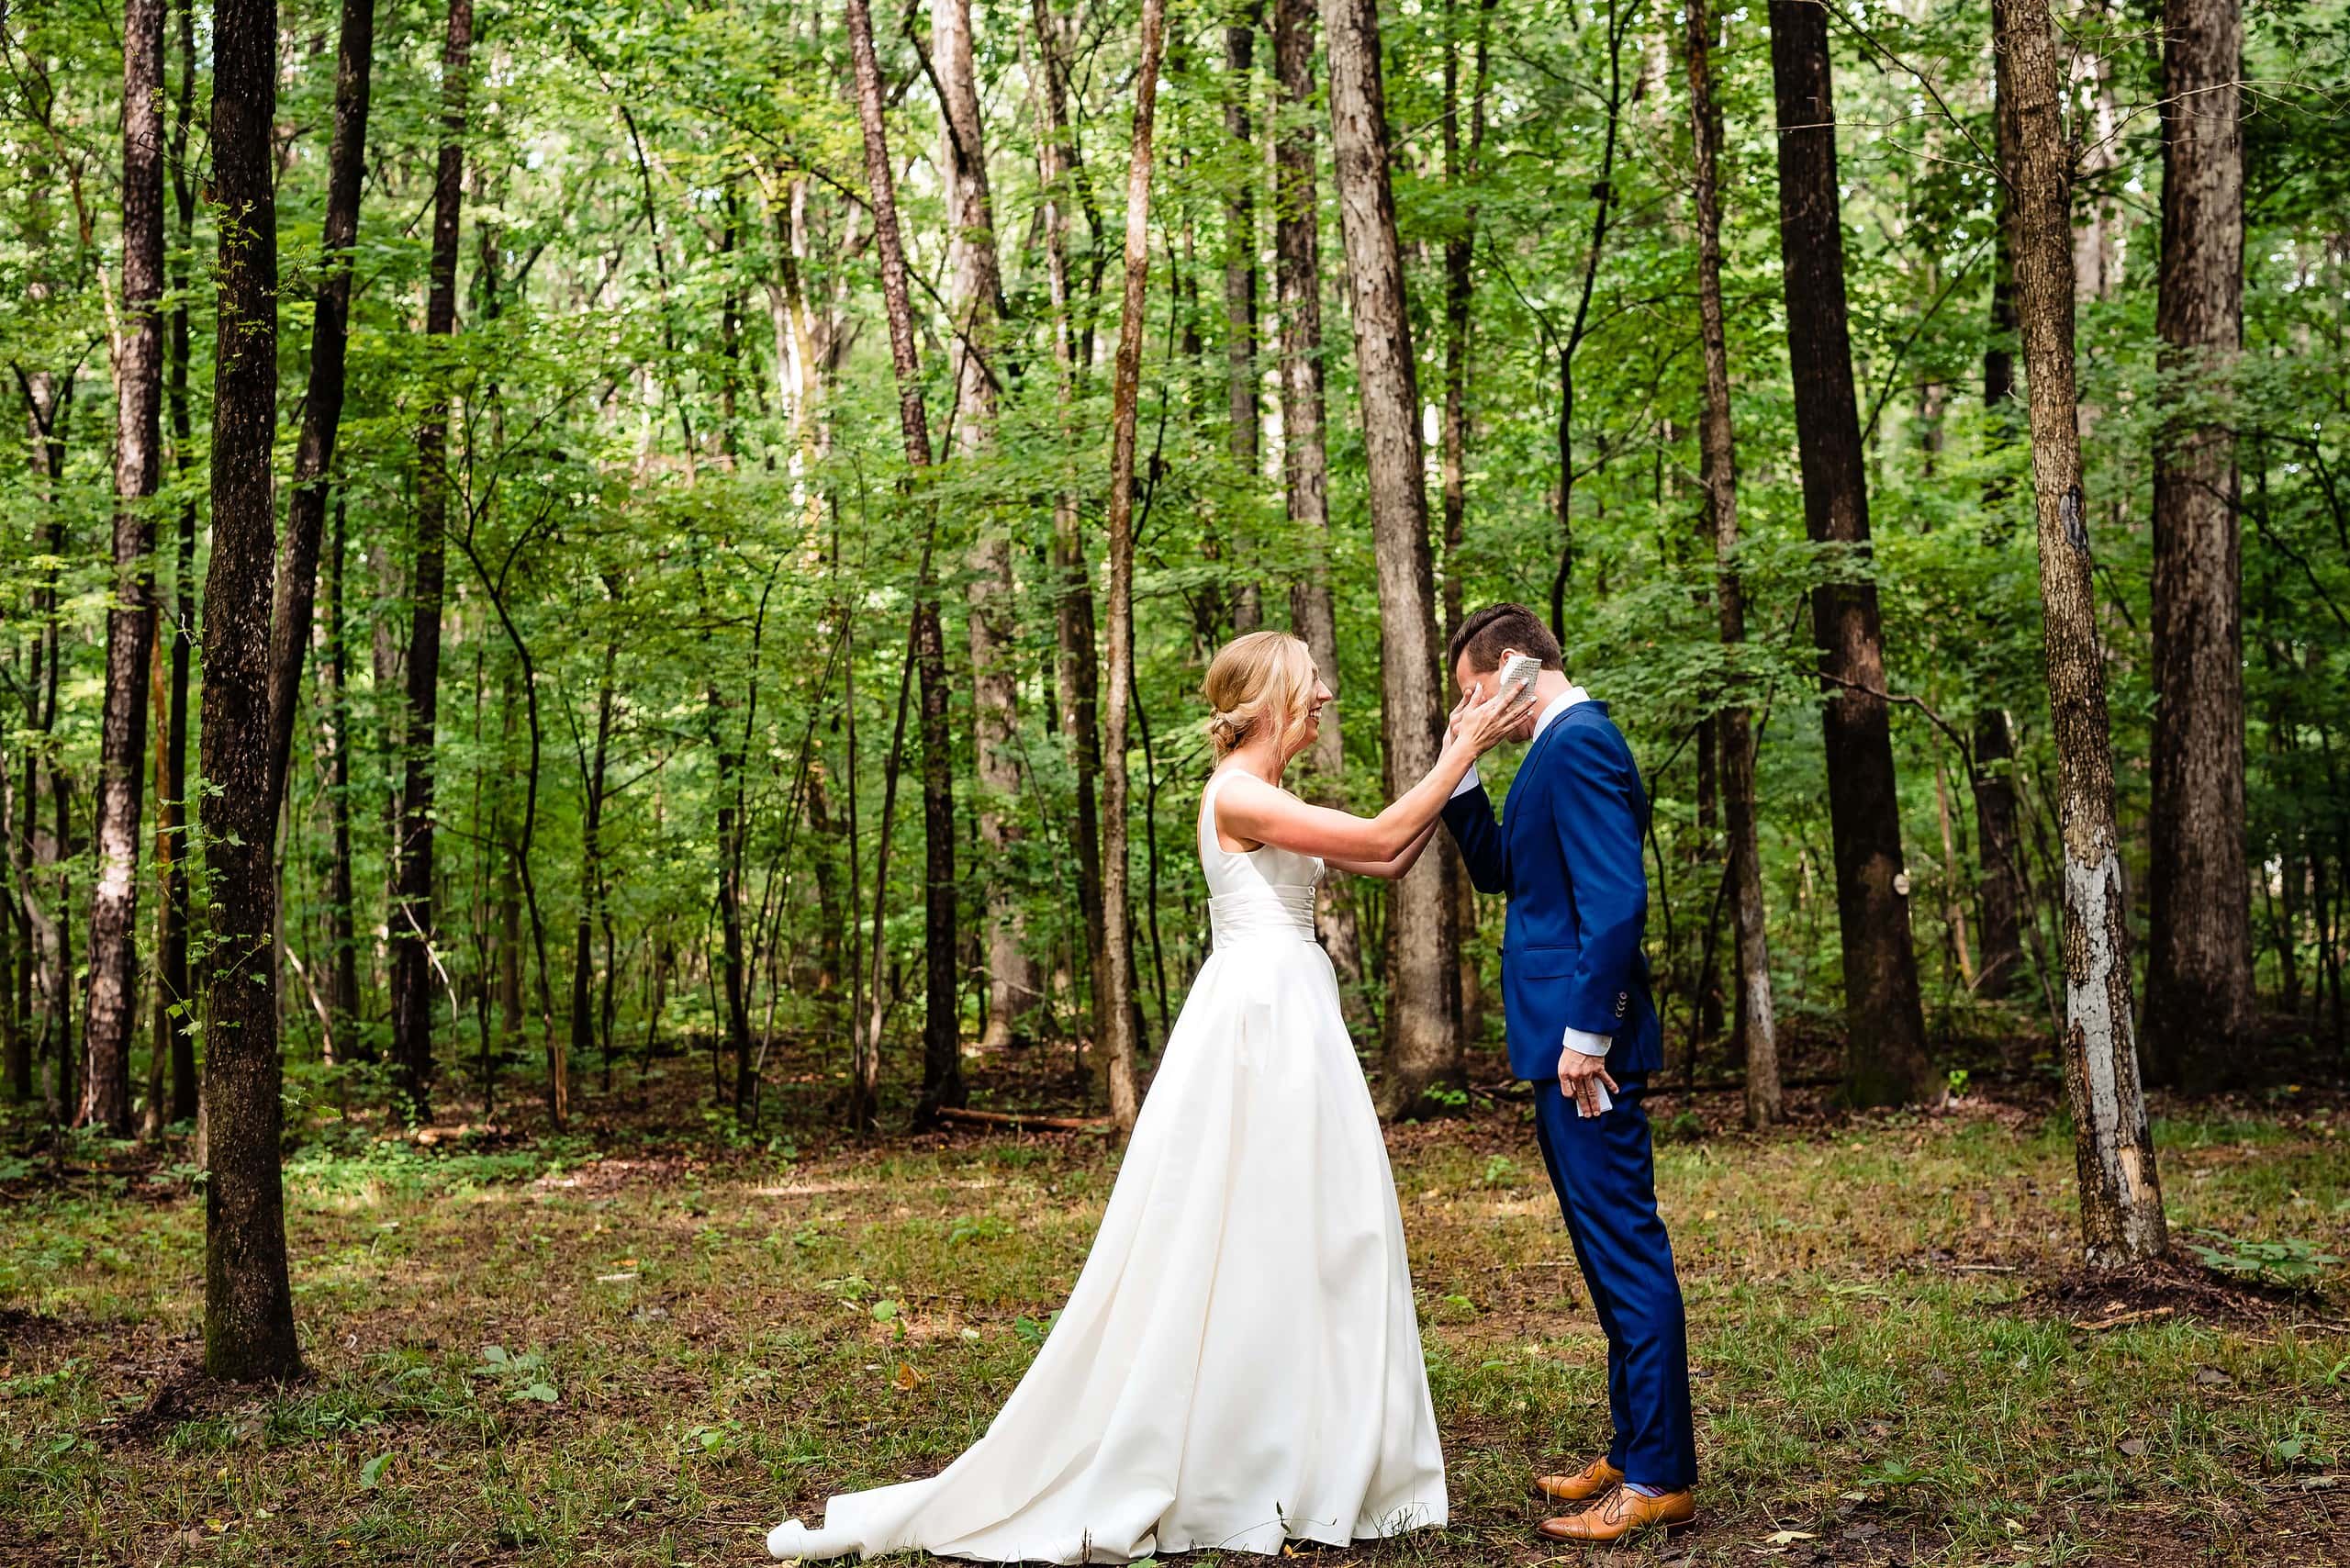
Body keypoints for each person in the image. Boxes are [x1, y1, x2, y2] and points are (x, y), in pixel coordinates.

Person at [767, 629, 1533, 1562]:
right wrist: (1466, 744)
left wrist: (1459, 764)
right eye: (1311, 682)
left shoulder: (1271, 794)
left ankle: (1310, 1445)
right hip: (1258, 1025)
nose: (1326, 693)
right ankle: (1238, 1458)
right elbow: (1375, 835)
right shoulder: (1240, 795)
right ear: (1267, 700)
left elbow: (1385, 859)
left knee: (1322, 1231)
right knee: (1244, 1233)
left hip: (1294, 1015)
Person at [1438, 602, 1699, 1544]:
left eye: (1475, 694)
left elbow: (1617, 900)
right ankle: (1635, 1448)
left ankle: (1660, 1475)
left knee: (1626, 1251)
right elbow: (1505, 868)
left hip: (1584, 1052)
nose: (1474, 709)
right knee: (1603, 1254)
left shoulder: (1581, 740)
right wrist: (1458, 761)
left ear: (1513, 668)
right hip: (1559, 1046)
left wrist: (1590, 1032)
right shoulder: (1550, 745)